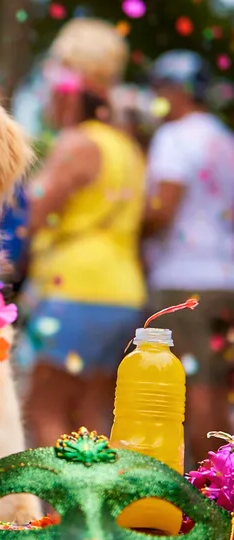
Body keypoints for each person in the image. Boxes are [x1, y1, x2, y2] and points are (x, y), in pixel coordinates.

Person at [21, 19, 147, 447]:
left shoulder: (76, 144)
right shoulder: (127, 146)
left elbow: (31, 214)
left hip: (74, 289)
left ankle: (64, 513)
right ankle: (107, 511)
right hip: (122, 293)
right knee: (91, 413)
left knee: (44, 409)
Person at [142, 50, 234, 464]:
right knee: (215, 390)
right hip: (224, 277)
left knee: (188, 391)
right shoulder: (223, 138)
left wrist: (129, 225)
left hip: (185, 279)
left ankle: (206, 501)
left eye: (160, 91)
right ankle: (224, 490)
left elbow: (162, 210)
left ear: (174, 91)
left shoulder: (175, 137)